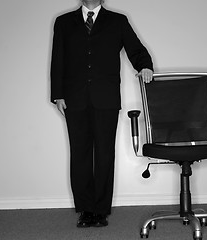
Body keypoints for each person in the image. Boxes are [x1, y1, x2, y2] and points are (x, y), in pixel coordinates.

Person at [50, 0, 153, 228]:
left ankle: (101, 210)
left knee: (105, 154)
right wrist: (57, 94)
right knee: (80, 155)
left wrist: (145, 66)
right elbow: (58, 58)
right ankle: (86, 210)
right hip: (74, 99)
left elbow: (135, 48)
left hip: (105, 99)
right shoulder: (64, 22)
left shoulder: (118, 21)